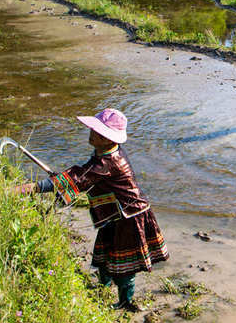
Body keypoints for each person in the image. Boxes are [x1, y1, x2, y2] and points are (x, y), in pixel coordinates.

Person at [16, 108, 168, 312]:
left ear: (107, 138)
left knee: (124, 265)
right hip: (115, 214)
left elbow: (79, 177)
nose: (91, 132)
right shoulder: (104, 154)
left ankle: (125, 302)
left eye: (96, 131)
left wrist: (29, 188)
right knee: (104, 255)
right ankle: (102, 290)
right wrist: (63, 182)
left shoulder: (108, 161)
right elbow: (84, 177)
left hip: (129, 217)